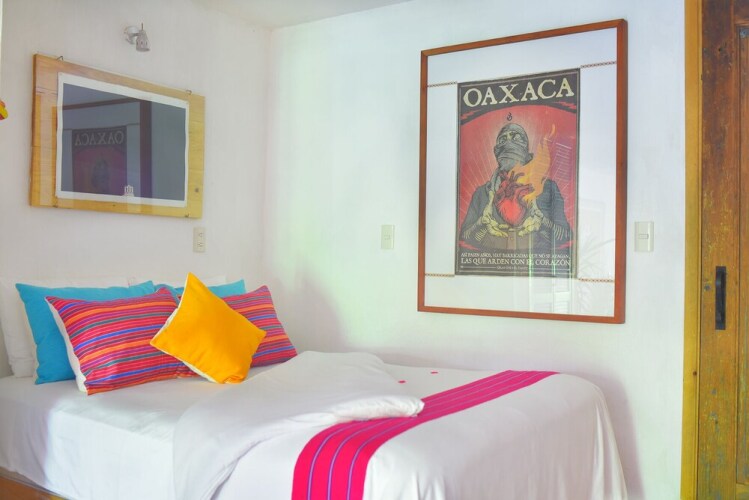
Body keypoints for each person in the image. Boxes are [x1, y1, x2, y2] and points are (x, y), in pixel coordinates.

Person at [459, 122, 572, 253]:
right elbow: (463, 240)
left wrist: (543, 222)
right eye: (503, 140)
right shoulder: (481, 194)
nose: (508, 143)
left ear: (526, 150)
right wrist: (481, 224)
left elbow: (566, 238)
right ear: (496, 151)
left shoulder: (548, 189)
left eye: (516, 137)